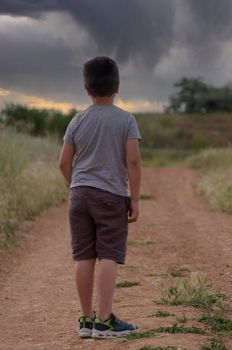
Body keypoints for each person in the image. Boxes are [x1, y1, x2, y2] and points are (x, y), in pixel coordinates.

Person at [59, 56, 142, 338]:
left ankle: (86, 321)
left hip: (78, 195)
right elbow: (133, 162)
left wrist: (78, 185)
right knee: (108, 254)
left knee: (84, 256)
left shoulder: (77, 120)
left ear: (86, 89)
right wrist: (136, 198)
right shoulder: (126, 120)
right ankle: (105, 321)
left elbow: (63, 163)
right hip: (110, 196)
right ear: (117, 85)